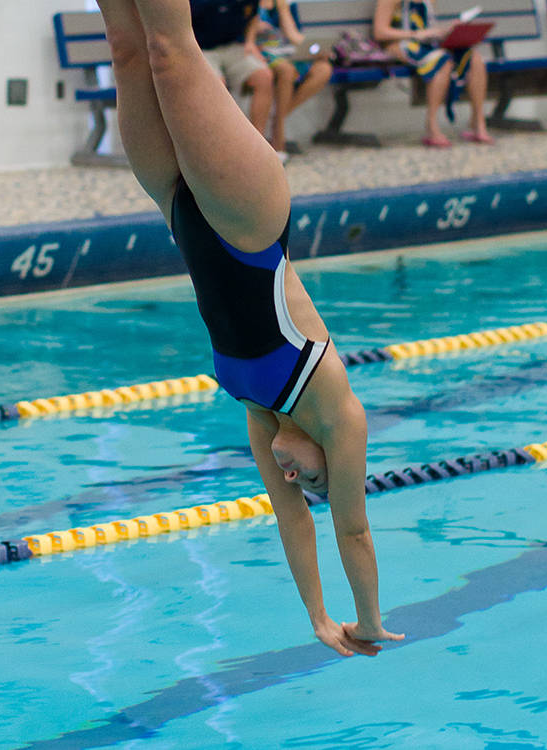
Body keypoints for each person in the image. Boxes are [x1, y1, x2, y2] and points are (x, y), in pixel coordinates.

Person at [96, 0, 403, 657]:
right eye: (317, 479)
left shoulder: (263, 415)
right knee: (170, 53)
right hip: (249, 220)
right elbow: (351, 529)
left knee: (127, 49)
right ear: (331, 458)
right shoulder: (336, 411)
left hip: (182, 213)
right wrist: (368, 620)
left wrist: (321, 621)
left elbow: (292, 522)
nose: (298, 481)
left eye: (303, 486)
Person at [372, 0, 493, 147]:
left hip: (427, 43)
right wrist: (416, 34)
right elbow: (380, 32)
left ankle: (478, 122)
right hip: (400, 44)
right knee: (442, 61)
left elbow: (428, 28)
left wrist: (447, 31)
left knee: (474, 59)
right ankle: (432, 125)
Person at [252, 0, 334, 158]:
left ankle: (278, 119)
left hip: (282, 51)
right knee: (286, 71)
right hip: (258, 52)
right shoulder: (248, 4)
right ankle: (278, 136)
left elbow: (293, 35)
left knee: (323, 68)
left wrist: (315, 49)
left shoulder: (282, 4)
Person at [189, 0, 276, 151]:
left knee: (264, 77)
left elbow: (253, 16)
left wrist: (250, 42)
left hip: (233, 46)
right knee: (217, 85)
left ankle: (258, 145)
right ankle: (219, 147)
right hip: (200, 48)